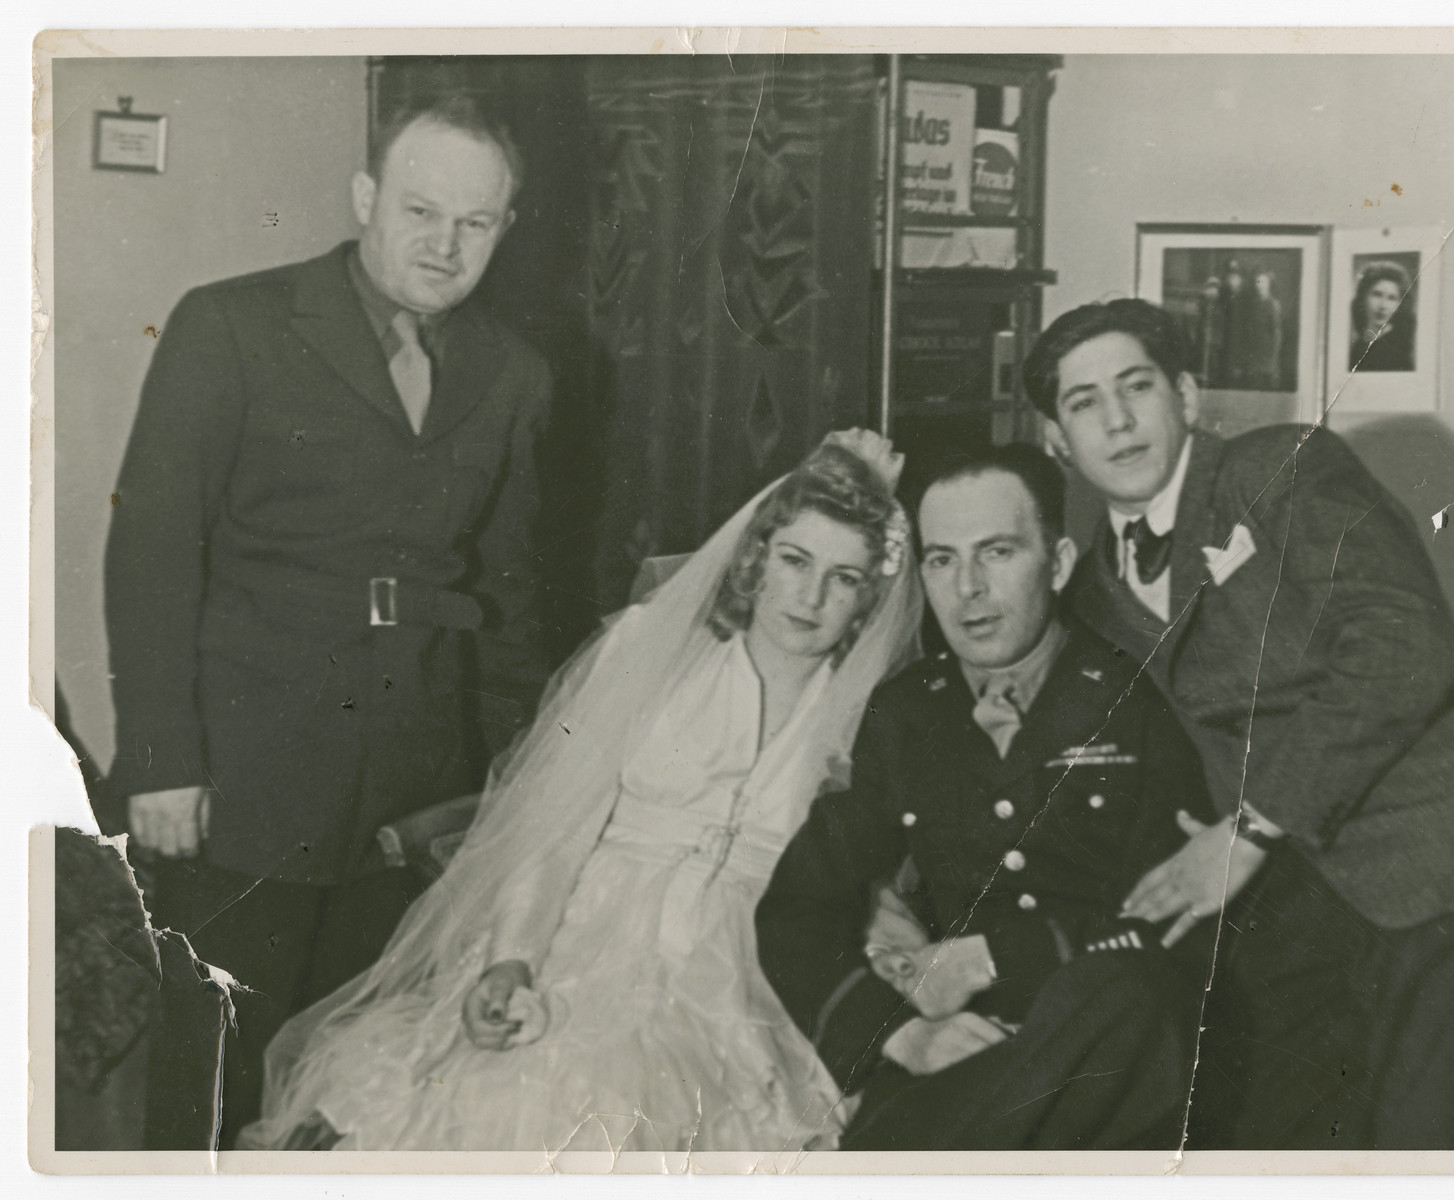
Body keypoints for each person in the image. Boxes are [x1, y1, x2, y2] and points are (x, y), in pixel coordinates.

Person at [240, 432, 922, 1152]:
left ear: (869, 595)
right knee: (533, 1099)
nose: (811, 597)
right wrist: (512, 957)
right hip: (593, 940)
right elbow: (552, 828)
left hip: (759, 973)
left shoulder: (870, 715)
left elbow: (857, 885)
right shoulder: (653, 650)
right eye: (794, 560)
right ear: (756, 557)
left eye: (844, 579)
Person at [103, 94, 553, 1148]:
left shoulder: (516, 375)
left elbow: (510, 594)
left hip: (413, 790)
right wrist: (163, 757)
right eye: (419, 210)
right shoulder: (231, 324)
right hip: (244, 776)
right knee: (213, 1071)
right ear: (365, 200)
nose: (444, 245)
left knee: (362, 1089)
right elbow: (152, 549)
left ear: (505, 228)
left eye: (475, 223)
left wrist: (515, 785)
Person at [1024, 298, 1454, 1149]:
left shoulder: (1278, 466)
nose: (1117, 419)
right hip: (1307, 914)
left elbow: (1403, 647)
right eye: (1083, 402)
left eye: (1135, 387)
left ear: (1186, 397)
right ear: (1057, 441)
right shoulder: (1092, 589)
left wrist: (1247, 825)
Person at [755, 444, 1217, 1151]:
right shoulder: (907, 712)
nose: (965, 587)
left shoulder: (1135, 697)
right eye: (941, 559)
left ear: (1057, 564)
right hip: (959, 1049)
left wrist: (998, 955)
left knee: (1131, 992)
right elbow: (795, 909)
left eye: (996, 553)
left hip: (1112, 1056)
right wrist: (904, 1037)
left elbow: (1184, 916)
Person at [1348, 260, 1416, 372]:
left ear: (1400, 305)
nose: (1383, 306)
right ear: (1363, 298)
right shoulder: (1359, 345)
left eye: (1391, 298)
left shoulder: (1398, 352)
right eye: (1377, 294)